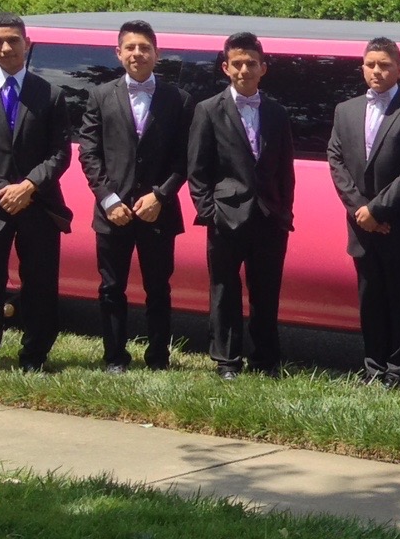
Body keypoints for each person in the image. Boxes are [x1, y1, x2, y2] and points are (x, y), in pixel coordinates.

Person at [0, 12, 72, 377]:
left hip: (39, 204)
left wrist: (29, 186)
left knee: (40, 283)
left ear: (27, 44)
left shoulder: (50, 95)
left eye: (13, 40)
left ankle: (35, 355)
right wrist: (2, 189)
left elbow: (60, 153)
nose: (6, 47)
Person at [77, 19, 190, 373]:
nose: (137, 54)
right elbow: (89, 152)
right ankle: (114, 357)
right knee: (111, 288)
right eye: (130, 47)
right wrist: (108, 199)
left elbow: (186, 157)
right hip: (113, 212)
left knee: (159, 290)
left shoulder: (179, 100)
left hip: (159, 212)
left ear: (157, 53)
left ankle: (158, 358)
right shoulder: (99, 95)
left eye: (144, 47)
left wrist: (161, 195)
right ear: (119, 53)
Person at [187, 31, 296, 379]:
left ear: (264, 68)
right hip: (225, 217)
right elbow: (197, 170)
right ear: (226, 67)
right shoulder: (207, 110)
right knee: (224, 290)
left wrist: (284, 213)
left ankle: (266, 359)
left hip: (269, 218)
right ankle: (227, 360)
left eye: (252, 63)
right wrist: (209, 213)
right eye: (238, 63)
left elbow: (285, 170)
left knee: (267, 292)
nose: (244, 69)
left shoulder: (278, 112)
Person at [328, 37, 400, 384]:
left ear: (399, 70)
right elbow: (336, 159)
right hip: (361, 225)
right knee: (370, 300)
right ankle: (373, 366)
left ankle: (399, 370)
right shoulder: (345, 110)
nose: (377, 70)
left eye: (385, 65)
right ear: (362, 68)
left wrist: (378, 211)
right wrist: (361, 210)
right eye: (371, 64)